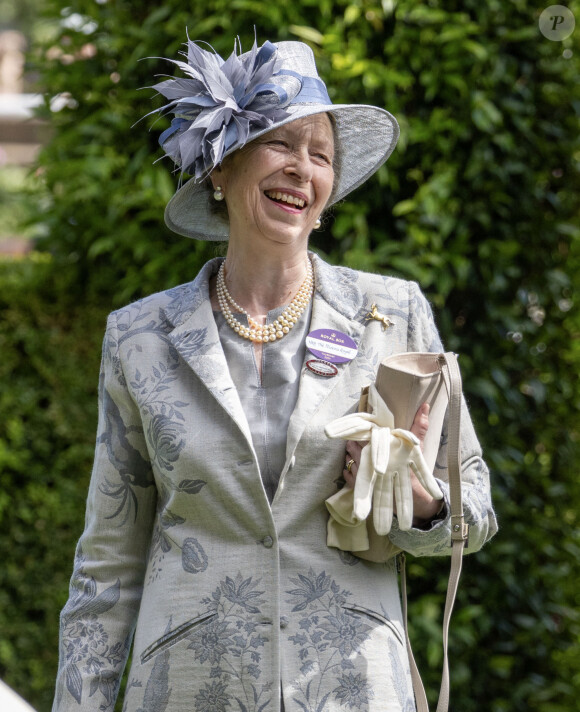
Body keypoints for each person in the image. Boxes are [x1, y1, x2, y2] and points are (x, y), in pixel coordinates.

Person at [52, 36, 497, 712]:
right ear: (219, 171)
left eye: (319, 155)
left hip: (354, 690)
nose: (302, 169)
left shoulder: (393, 316)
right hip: (188, 689)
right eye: (280, 145)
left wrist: (422, 500)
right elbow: (107, 567)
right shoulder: (139, 339)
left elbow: (474, 511)